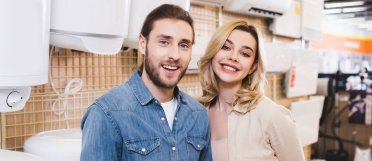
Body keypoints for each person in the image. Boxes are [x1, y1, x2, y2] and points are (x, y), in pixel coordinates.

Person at [81, 4, 212, 161]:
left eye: (184, 45)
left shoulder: (199, 115)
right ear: (143, 44)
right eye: (164, 42)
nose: (175, 55)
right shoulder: (106, 114)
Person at [198, 19, 305, 161]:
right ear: (213, 53)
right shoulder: (197, 112)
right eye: (225, 47)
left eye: (245, 54)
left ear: (253, 67)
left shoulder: (272, 116)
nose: (233, 57)